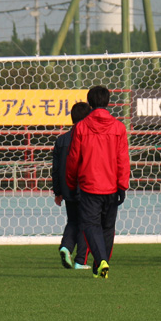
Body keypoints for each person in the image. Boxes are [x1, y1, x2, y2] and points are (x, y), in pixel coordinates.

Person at [66, 86, 130, 279]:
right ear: (108, 102)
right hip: (111, 185)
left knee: (91, 225)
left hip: (89, 185)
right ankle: (100, 266)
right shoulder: (119, 127)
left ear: (90, 102)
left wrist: (71, 183)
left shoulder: (81, 127)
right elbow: (122, 158)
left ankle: (101, 260)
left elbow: (74, 158)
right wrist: (122, 185)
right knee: (108, 228)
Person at [52, 102, 92, 270]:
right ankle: (80, 260)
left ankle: (66, 247)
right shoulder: (88, 138)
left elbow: (55, 168)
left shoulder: (61, 140)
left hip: (67, 187)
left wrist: (58, 191)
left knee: (73, 220)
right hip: (85, 186)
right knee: (87, 223)